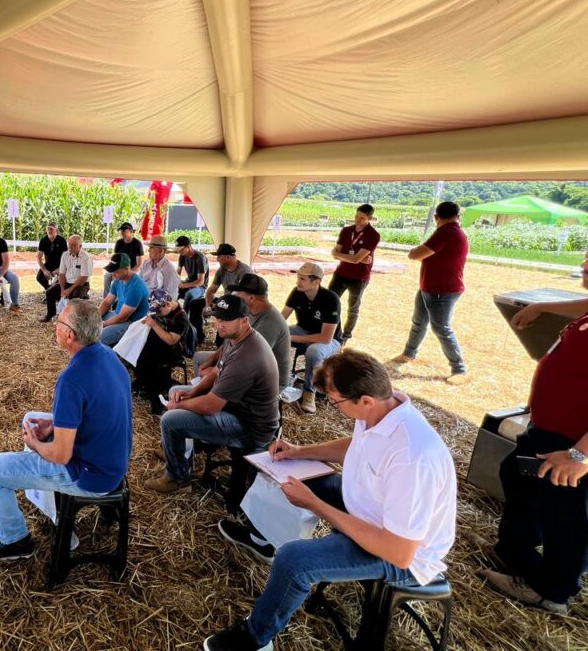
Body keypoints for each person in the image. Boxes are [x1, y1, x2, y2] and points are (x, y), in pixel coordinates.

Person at [204, 350, 457, 651]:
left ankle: (255, 639)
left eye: (335, 402)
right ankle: (262, 539)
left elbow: (398, 551)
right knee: (288, 474)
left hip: (399, 552)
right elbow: (355, 445)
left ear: (365, 400)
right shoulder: (381, 410)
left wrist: (315, 504)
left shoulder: (413, 458)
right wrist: (298, 452)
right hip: (368, 508)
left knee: (293, 561)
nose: (334, 408)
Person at [0, 299, 132, 560]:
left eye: (59, 322)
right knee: (32, 418)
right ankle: (48, 503)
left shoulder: (72, 379)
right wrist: (53, 424)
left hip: (91, 475)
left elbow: (61, 455)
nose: (54, 326)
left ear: (70, 334)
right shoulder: (108, 355)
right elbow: (95, 410)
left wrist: (35, 445)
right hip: (112, 460)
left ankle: (15, 541)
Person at [481, 251, 588, 615]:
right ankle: (516, 554)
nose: (584, 266)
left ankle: (551, 590)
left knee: (568, 517)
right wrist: (542, 307)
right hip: (549, 429)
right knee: (518, 476)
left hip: (571, 444)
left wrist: (580, 456)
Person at [145, 295, 279, 495]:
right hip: (235, 407)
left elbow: (211, 406)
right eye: (218, 318)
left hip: (249, 427)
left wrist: (180, 405)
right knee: (175, 392)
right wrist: (191, 394)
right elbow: (217, 371)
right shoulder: (235, 338)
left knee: (170, 419)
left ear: (244, 321)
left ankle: (177, 479)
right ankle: (180, 453)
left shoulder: (247, 356)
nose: (219, 324)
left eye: (226, 320)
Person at [391, 201, 470, 384]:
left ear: (436, 217)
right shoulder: (453, 232)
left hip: (442, 290)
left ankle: (459, 369)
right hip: (431, 287)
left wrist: (416, 249)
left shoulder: (446, 232)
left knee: (442, 328)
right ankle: (409, 353)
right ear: (458, 216)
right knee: (419, 322)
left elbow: (415, 254)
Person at [282, 262, 342, 414]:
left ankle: (310, 392)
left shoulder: (331, 299)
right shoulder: (297, 292)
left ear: (316, 281)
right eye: (298, 277)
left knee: (313, 352)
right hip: (302, 330)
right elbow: (281, 319)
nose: (298, 281)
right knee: (274, 334)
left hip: (330, 340)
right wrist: (277, 331)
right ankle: (277, 379)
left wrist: (289, 337)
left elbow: (326, 338)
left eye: (302, 279)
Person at [328, 204, 380, 343]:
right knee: (330, 302)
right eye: (356, 216)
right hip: (341, 273)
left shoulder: (373, 235)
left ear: (369, 218)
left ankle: (346, 336)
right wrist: (357, 259)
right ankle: (334, 332)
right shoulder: (346, 230)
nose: (357, 220)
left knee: (353, 308)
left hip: (359, 277)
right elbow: (339, 254)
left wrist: (351, 258)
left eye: (362, 218)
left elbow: (349, 257)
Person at [134, 288, 191, 414]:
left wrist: (154, 325)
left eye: (159, 311)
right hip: (158, 344)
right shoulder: (164, 308)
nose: (158, 313)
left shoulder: (181, 318)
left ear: (168, 304)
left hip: (172, 351)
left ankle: (156, 401)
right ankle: (146, 383)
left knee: (147, 364)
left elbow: (171, 340)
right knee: (137, 356)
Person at [231, 274, 292, 391]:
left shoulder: (270, 322)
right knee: (201, 359)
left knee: (213, 389)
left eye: (239, 293)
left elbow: (249, 360)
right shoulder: (250, 310)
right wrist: (213, 362)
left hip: (270, 383)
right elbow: (231, 341)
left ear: (251, 298)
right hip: (252, 369)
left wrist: (218, 371)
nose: (235, 295)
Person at [188, 242, 254, 345]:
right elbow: (211, 290)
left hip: (239, 305)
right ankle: (198, 339)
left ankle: (222, 345)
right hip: (225, 301)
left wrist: (219, 306)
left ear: (228, 257)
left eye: (219, 257)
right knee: (195, 304)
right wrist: (208, 306)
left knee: (222, 316)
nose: (217, 259)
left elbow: (243, 298)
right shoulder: (222, 270)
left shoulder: (244, 272)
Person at [98, 253, 150, 347]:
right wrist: (95, 317)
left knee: (97, 336)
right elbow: (107, 302)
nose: (113, 274)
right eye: (112, 271)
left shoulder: (135, 287)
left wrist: (102, 324)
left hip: (133, 322)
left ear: (127, 269)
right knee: (91, 323)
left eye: (116, 271)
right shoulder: (118, 280)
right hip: (118, 314)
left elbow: (123, 317)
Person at [41, 235, 92, 322]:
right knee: (50, 292)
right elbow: (62, 274)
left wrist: (69, 290)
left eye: (74, 245)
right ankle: (50, 314)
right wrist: (62, 289)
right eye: (70, 244)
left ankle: (74, 319)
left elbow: (84, 278)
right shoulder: (65, 255)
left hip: (81, 284)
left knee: (75, 296)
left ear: (80, 246)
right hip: (67, 282)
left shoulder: (86, 257)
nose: (71, 247)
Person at [102, 222, 144, 296]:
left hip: (133, 270)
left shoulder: (137, 244)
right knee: (107, 275)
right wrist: (115, 272)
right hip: (119, 269)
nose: (122, 233)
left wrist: (128, 273)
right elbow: (115, 260)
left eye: (124, 231)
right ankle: (106, 297)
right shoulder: (119, 243)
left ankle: (122, 297)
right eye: (121, 231)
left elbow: (139, 264)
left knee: (125, 279)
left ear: (131, 231)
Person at [175, 235, 209, 314]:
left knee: (189, 294)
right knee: (172, 289)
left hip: (200, 287)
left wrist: (184, 285)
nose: (180, 252)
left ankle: (185, 317)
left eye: (181, 249)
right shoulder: (182, 256)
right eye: (178, 250)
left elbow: (200, 281)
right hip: (189, 282)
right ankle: (173, 314)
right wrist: (175, 282)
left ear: (189, 246)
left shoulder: (200, 257)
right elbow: (177, 273)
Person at [36, 222, 66, 292]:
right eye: (48, 229)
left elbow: (66, 257)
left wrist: (60, 269)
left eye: (51, 229)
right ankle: (49, 290)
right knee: (39, 278)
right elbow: (38, 258)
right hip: (48, 264)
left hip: (60, 264)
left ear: (56, 230)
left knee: (62, 280)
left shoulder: (61, 240)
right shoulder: (43, 240)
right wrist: (44, 270)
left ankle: (55, 291)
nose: (49, 230)